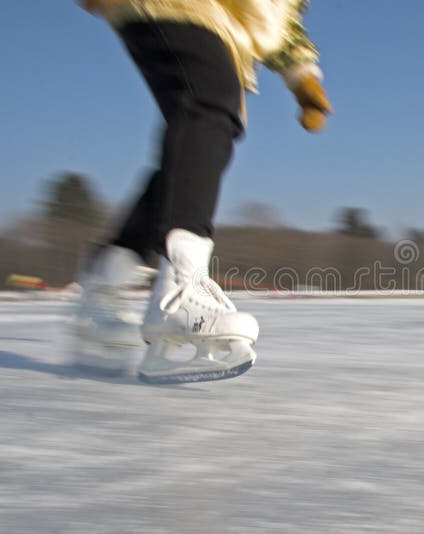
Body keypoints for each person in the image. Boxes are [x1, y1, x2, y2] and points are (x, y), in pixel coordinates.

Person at [74, 0, 332, 383]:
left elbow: (282, 24)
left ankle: (106, 284)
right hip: (184, 8)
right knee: (208, 105)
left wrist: (303, 76)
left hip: (219, 29)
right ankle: (179, 294)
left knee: (200, 148)